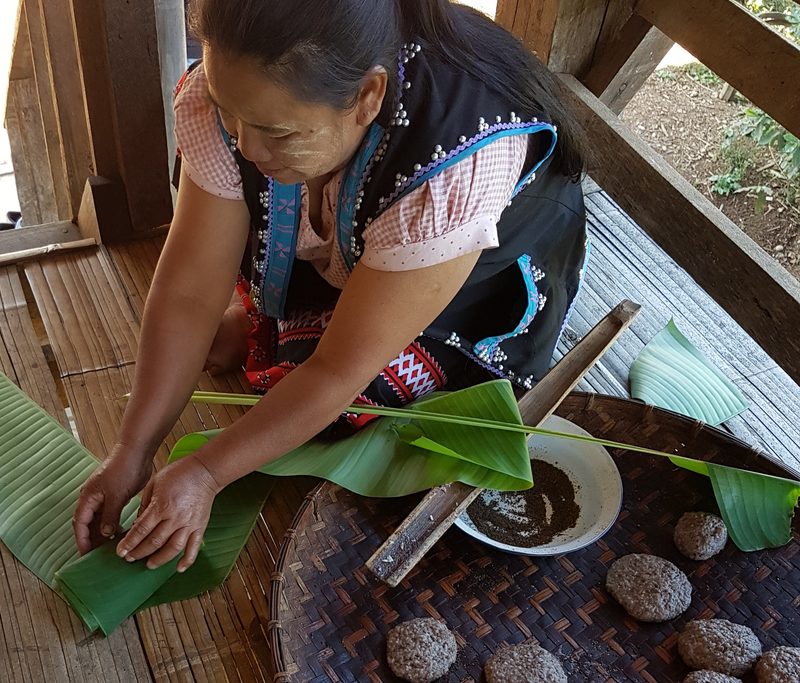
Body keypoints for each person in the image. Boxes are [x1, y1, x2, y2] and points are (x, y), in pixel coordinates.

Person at [73, 0, 588, 573]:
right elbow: (191, 290)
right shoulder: (250, 95)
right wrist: (131, 451)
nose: (246, 146)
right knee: (267, 323)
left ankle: (289, 326)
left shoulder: (457, 165)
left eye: (277, 132)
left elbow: (340, 370)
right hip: (366, 239)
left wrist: (205, 472)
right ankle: (294, 317)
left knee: (354, 403)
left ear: (369, 96)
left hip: (475, 285)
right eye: (229, 115)